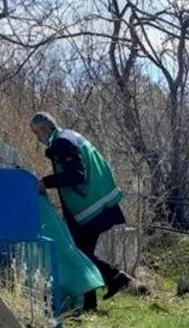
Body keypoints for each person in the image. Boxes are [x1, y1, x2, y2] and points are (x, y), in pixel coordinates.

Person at [30, 112, 135, 311]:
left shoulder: (62, 142)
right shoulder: (69, 137)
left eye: (36, 133)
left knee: (80, 253)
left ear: (44, 129)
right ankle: (92, 301)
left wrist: (46, 182)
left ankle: (114, 278)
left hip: (90, 207)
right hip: (97, 203)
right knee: (82, 251)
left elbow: (76, 175)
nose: (37, 138)